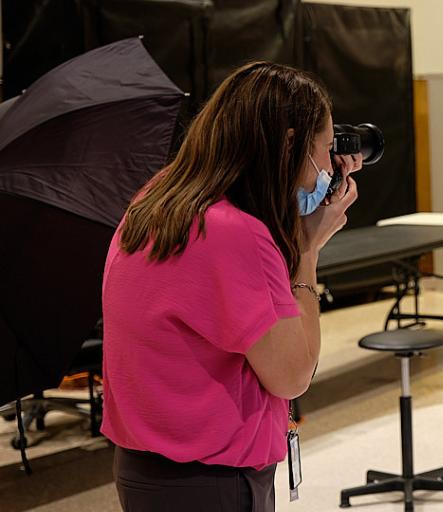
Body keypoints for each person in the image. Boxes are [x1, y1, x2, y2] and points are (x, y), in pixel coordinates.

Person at [100, 61, 361, 511]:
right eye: (324, 149)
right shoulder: (234, 233)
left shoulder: (155, 201)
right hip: (213, 480)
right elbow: (292, 375)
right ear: (291, 145)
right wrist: (307, 253)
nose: (325, 168)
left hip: (146, 470)